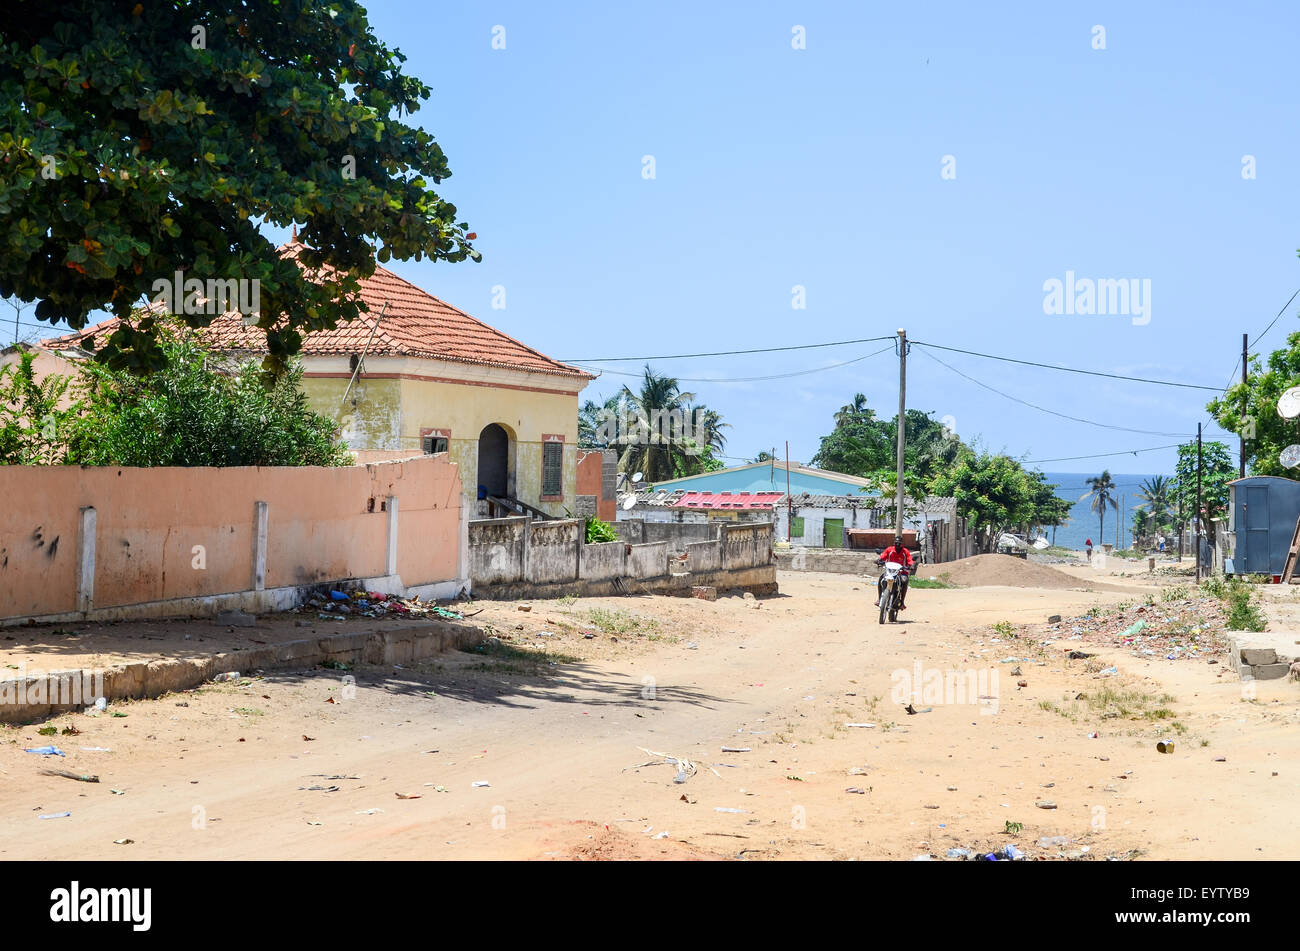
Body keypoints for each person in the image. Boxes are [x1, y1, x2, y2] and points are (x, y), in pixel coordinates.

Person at [875, 536, 915, 610]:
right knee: (881, 578)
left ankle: (902, 602)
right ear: (894, 543)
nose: (897, 545)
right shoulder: (889, 550)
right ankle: (880, 598)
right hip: (890, 572)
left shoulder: (905, 551)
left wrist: (911, 565)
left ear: (901, 544)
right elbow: (883, 556)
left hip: (901, 572)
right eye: (896, 543)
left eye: (899, 543)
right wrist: (878, 560)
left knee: (905, 581)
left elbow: (910, 560)